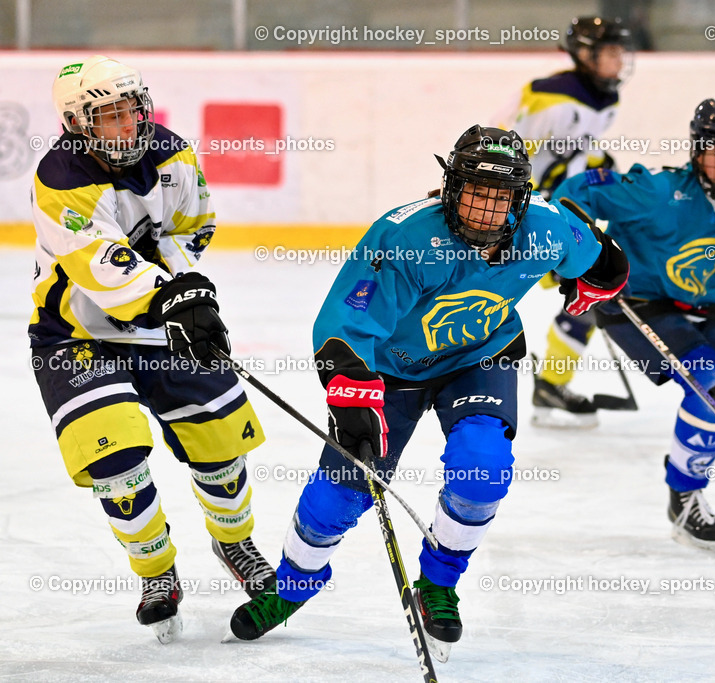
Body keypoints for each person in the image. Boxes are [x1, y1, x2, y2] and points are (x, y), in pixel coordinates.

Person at [228, 125, 628, 660]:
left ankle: (438, 584)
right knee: (339, 494)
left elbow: (600, 257)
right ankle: (294, 584)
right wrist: (351, 396)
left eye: (501, 197)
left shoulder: (545, 228)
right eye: (475, 193)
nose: (486, 210)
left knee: (482, 468)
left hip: (479, 357)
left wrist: (600, 277)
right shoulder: (405, 238)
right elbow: (345, 327)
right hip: (390, 370)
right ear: (450, 187)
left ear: (522, 199)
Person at [30, 55, 275, 642]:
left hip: (160, 328)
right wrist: (172, 296)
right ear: (76, 122)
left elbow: (195, 227)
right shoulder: (60, 176)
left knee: (221, 446)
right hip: (78, 336)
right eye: (110, 116)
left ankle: (234, 542)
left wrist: (187, 290)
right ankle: (156, 571)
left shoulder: (173, 152)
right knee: (115, 462)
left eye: (133, 110)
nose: (128, 125)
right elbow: (99, 265)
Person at [553, 100, 715, 556]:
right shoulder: (656, 192)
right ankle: (685, 498)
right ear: (698, 151)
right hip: (638, 304)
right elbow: (573, 195)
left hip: (708, 310)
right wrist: (583, 256)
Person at [494, 16, 633, 428]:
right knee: (492, 297)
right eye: (610, 52)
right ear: (585, 54)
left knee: (593, 285)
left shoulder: (604, 101)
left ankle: (551, 383)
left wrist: (597, 165)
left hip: (553, 211)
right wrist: (530, 194)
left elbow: (575, 151)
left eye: (620, 53)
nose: (619, 61)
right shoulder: (549, 100)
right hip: (520, 216)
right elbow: (503, 151)